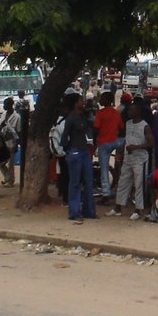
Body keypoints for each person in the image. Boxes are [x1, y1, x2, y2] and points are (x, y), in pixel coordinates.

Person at [108, 100, 151, 220]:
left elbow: (151, 143)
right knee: (123, 182)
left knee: (139, 184)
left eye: (132, 109)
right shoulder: (128, 123)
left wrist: (136, 147)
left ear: (138, 111)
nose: (129, 111)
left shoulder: (145, 126)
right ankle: (118, 207)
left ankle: (138, 209)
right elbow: (126, 139)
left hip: (140, 159)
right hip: (128, 158)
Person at [61, 92, 97, 222]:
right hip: (75, 152)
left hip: (83, 151)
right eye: (81, 101)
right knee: (75, 183)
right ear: (76, 104)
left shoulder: (82, 116)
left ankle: (89, 211)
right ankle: (74, 212)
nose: (83, 102)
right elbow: (64, 137)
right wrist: (69, 150)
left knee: (88, 182)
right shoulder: (71, 118)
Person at [93, 91, 123, 204]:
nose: (100, 100)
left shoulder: (100, 113)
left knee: (104, 170)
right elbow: (121, 128)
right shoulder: (116, 113)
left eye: (102, 98)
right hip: (115, 141)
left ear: (106, 100)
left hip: (103, 143)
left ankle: (106, 194)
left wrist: (95, 142)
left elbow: (96, 129)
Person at [0, 97, 20, 187]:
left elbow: (19, 131)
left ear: (10, 105)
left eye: (5, 105)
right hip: (3, 140)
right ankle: (8, 177)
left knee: (11, 163)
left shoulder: (17, 116)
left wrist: (17, 144)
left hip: (12, 141)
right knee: (1, 162)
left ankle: (10, 181)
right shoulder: (4, 114)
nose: (4, 106)